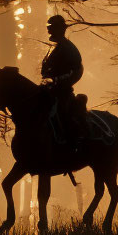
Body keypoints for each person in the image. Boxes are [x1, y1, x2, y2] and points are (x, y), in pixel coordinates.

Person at [40, 14, 86, 145]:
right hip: (49, 89)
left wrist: (56, 81)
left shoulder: (69, 48)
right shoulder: (53, 48)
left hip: (61, 91)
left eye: (52, 27)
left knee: (63, 114)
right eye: (48, 27)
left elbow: (76, 71)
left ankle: (74, 139)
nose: (49, 30)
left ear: (60, 29)